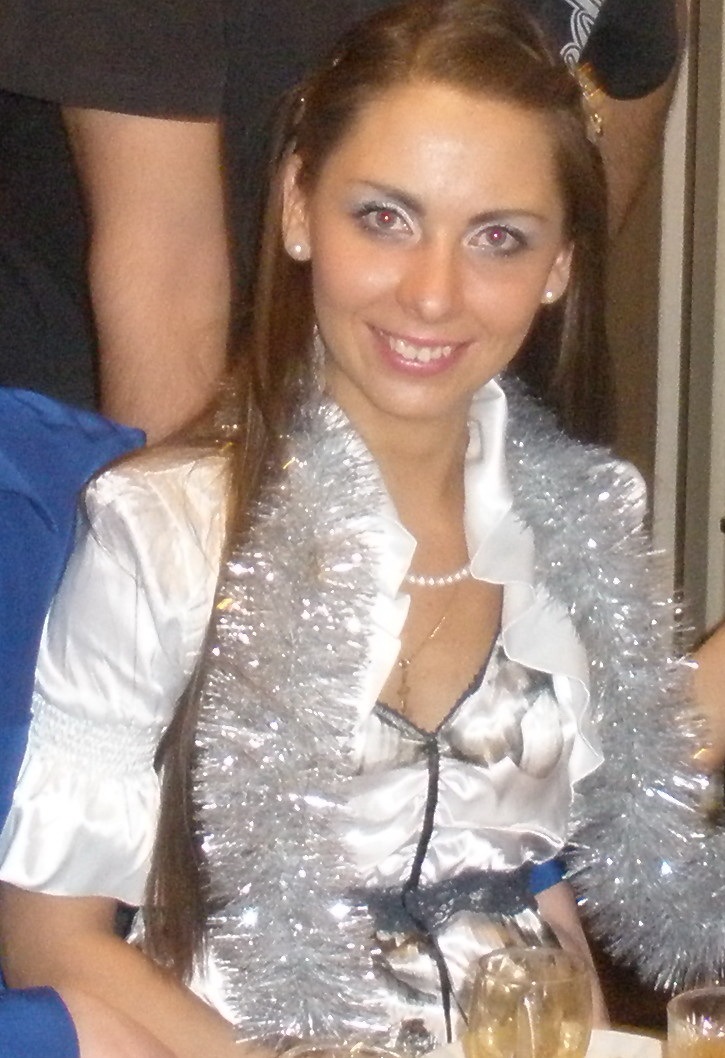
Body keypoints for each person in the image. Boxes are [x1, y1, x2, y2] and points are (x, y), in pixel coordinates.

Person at [0, 2, 719, 1056]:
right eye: (384, 218)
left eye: (499, 238)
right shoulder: (161, 534)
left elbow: (537, 873)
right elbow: (48, 941)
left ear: (560, 266)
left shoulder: (581, 524)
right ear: (297, 208)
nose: (432, 293)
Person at [0, 1, 681, 438]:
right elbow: (166, 270)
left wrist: (521, 278)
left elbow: (636, 65)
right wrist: (180, 560)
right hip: (104, 418)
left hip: (427, 410)